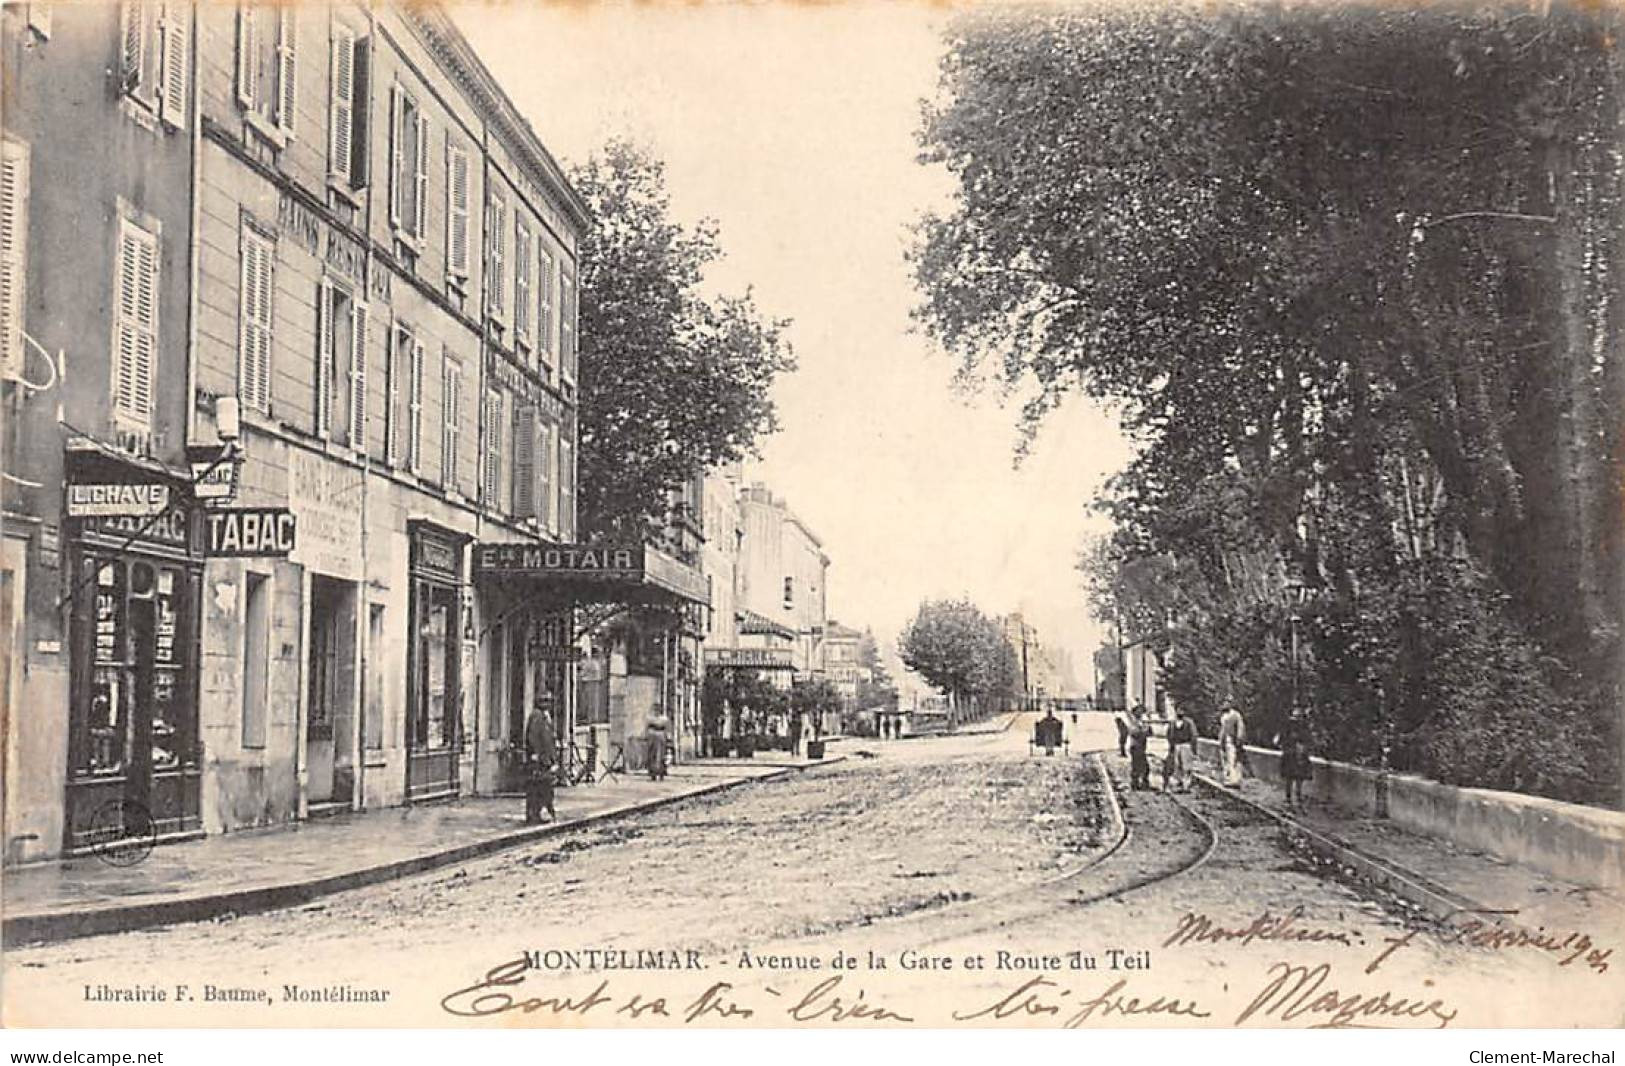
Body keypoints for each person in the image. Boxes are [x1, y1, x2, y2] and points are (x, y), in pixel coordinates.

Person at [524, 694, 558, 824]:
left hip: (545, 759)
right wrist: (536, 754)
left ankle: (542, 812)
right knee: (538, 787)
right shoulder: (537, 716)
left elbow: (549, 740)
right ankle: (535, 814)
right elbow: (533, 738)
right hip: (540, 760)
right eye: (544, 702)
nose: (547, 704)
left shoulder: (545, 716)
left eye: (548, 702)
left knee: (544, 787)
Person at [1277, 710, 1312, 807]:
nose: (1296, 719)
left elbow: (1308, 741)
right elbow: (1280, 740)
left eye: (1298, 717)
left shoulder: (1304, 729)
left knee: (1299, 778)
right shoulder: (1287, 727)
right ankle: (1288, 798)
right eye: (1294, 717)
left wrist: (1303, 750)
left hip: (1300, 755)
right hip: (1289, 755)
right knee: (1289, 778)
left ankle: (1298, 797)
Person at [1166, 708, 1197, 792]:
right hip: (1176, 745)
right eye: (1178, 710)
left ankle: (1186, 785)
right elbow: (1169, 734)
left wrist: (1193, 748)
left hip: (1186, 744)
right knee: (1176, 765)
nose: (1180, 712)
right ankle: (1177, 784)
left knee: (1186, 766)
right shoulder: (1173, 723)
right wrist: (1171, 745)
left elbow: (1194, 735)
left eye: (1182, 710)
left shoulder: (1189, 722)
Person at [1218, 704, 1248, 787]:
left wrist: (1239, 740)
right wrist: (1221, 741)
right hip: (1225, 741)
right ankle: (1228, 779)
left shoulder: (1236, 715)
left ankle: (1234, 780)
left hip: (1232, 741)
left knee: (1233, 760)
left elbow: (1240, 728)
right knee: (1226, 761)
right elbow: (1222, 730)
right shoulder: (1224, 716)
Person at [1128, 706, 1153, 790]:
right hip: (1136, 747)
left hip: (1141, 747)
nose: (1141, 713)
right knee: (1138, 766)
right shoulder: (1133, 722)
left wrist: (1147, 727)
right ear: (1134, 713)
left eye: (1141, 712)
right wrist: (1144, 730)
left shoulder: (1141, 722)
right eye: (1139, 711)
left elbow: (1150, 733)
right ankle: (1136, 784)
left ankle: (1141, 783)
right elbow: (1135, 733)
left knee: (1143, 766)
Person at [647, 708, 669, 780]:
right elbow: (648, 728)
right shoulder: (650, 719)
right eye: (655, 710)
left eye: (658, 710)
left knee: (661, 756)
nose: (656, 712)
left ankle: (661, 773)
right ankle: (653, 774)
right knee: (652, 756)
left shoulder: (664, 719)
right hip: (652, 738)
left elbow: (666, 729)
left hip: (661, 738)